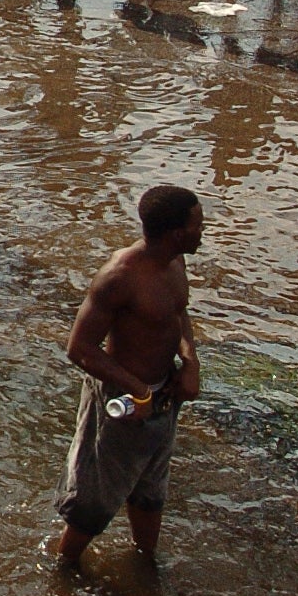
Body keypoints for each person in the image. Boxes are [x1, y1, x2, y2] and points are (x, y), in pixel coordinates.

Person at [54, 185, 204, 569]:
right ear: (177, 233)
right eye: (197, 223)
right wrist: (137, 391)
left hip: (161, 401)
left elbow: (179, 315)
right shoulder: (120, 276)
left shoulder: (175, 263)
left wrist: (189, 362)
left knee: (149, 491)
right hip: (123, 403)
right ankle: (63, 570)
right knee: (92, 502)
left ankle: (145, 564)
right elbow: (80, 348)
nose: (203, 230)